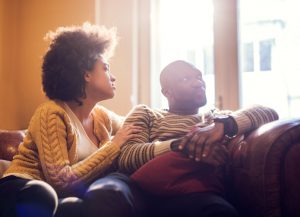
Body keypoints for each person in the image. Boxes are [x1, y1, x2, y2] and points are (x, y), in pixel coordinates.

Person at [0, 22, 141, 217]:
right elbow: (60, 180)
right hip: (23, 187)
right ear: (86, 75)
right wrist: (114, 145)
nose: (113, 77)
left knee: (74, 207)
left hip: (57, 198)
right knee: (43, 194)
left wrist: (194, 125)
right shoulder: (51, 113)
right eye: (106, 68)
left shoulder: (102, 117)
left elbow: (136, 123)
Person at [113, 60, 278, 217]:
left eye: (199, 76)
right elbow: (126, 156)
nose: (198, 82)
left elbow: (269, 113)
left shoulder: (214, 118)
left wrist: (225, 124)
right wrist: (181, 145)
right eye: (186, 79)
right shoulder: (147, 113)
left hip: (196, 193)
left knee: (219, 211)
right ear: (166, 91)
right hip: (147, 193)